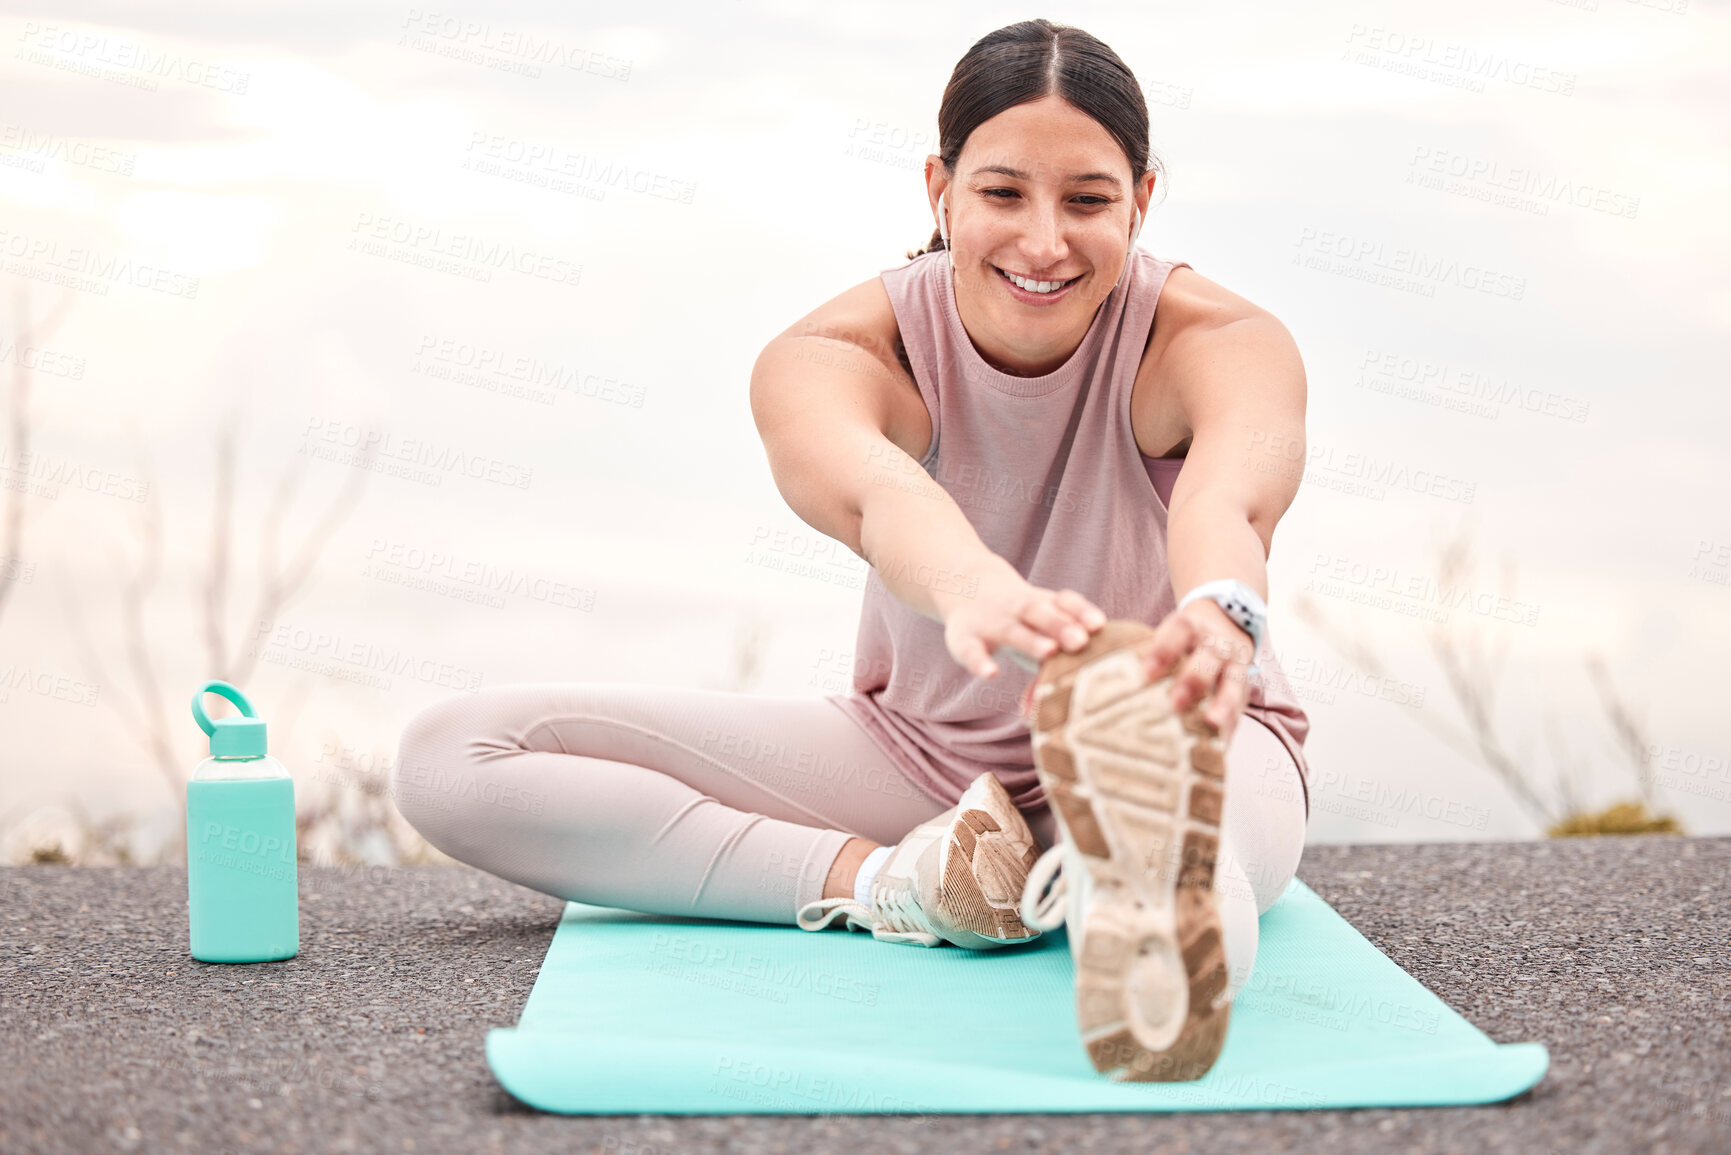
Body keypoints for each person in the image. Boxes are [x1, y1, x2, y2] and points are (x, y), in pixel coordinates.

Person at [393, 18, 1312, 1084]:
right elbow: (874, 496)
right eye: (1004, 193)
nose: (1046, 240)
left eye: (1090, 200)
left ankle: (1126, 870)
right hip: (928, 759)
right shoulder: (836, 351)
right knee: (451, 758)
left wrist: (1219, 612)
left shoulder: (1218, 340)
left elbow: (1229, 499)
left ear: (1143, 201)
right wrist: (972, 589)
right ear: (941, 187)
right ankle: (903, 885)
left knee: (1177, 886)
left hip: (1185, 727)